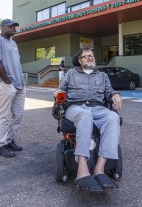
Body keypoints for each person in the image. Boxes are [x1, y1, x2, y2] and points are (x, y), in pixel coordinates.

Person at [54, 48, 122, 193]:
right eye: (86, 56)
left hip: (98, 108)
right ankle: (82, 172)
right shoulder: (72, 73)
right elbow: (61, 89)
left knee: (113, 117)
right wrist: (58, 93)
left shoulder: (102, 75)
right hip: (75, 107)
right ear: (80, 61)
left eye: (92, 55)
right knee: (85, 115)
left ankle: (99, 169)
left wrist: (115, 94)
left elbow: (110, 91)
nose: (90, 58)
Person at [0, 19, 26, 158]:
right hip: (6, 84)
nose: (13, 28)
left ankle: (10, 141)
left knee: (18, 115)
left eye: (15, 26)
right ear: (2, 27)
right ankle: (2, 145)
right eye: (10, 26)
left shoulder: (13, 43)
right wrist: (7, 81)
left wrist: (20, 83)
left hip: (19, 85)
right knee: (4, 116)